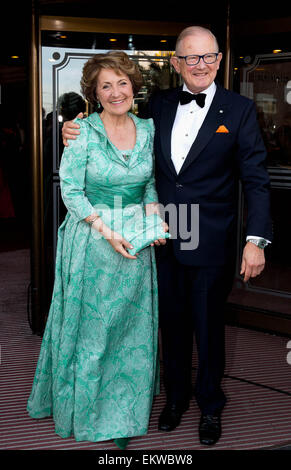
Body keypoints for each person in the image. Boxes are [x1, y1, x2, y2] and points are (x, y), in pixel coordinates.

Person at [62, 26, 273, 446]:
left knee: (208, 325)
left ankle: (210, 404)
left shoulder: (240, 110)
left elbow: (256, 180)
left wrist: (256, 239)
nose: (200, 65)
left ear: (219, 59)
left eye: (208, 56)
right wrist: (77, 124)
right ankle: (175, 399)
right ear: (176, 63)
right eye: (190, 58)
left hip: (206, 232)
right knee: (171, 323)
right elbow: (116, 119)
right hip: (158, 229)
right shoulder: (158, 104)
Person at [27, 51, 168, 450]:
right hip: (93, 241)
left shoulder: (150, 129)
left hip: (136, 243)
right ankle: (90, 412)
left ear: (133, 86)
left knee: (130, 332)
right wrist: (105, 231)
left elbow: (150, 186)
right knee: (95, 333)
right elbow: (70, 190)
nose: (115, 91)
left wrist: (155, 223)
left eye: (122, 82)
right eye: (106, 85)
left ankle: (124, 412)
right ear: (94, 92)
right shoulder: (81, 131)